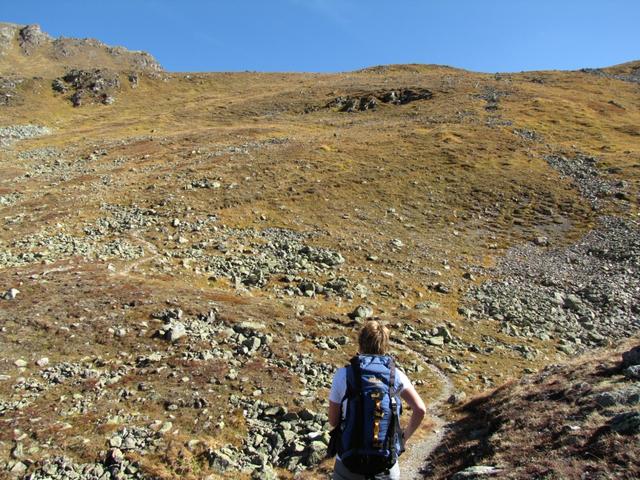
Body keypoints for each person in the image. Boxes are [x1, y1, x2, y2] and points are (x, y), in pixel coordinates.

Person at [328, 321, 427, 480]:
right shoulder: (396, 376)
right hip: (386, 465)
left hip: (348, 461)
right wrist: (402, 439)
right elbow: (420, 409)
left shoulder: (344, 374)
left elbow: (333, 421)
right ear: (385, 345)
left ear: (360, 343)